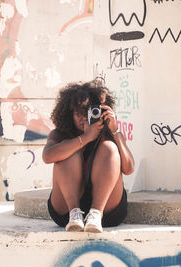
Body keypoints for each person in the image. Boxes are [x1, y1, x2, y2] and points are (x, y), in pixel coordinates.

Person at [42, 80, 135, 233]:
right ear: (69, 113)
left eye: (88, 113)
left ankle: (95, 214)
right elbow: (48, 157)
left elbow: (129, 168)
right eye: (78, 114)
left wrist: (115, 130)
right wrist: (85, 138)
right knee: (66, 151)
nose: (83, 118)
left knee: (109, 148)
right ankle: (75, 214)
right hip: (67, 210)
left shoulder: (110, 134)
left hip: (106, 211)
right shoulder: (59, 134)